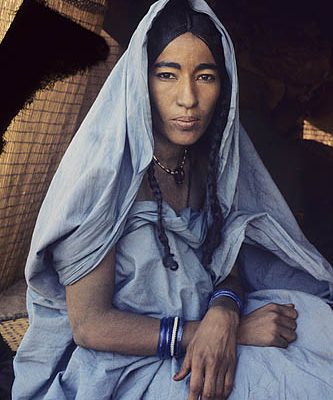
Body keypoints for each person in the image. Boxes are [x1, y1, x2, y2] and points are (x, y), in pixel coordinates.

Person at [12, 0, 333, 399]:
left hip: (205, 321)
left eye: (206, 76)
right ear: (139, 82)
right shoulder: (103, 178)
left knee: (321, 333)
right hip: (122, 362)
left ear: (224, 87)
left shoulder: (206, 162)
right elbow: (91, 326)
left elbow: (227, 258)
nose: (188, 98)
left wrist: (225, 312)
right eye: (167, 74)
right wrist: (216, 334)